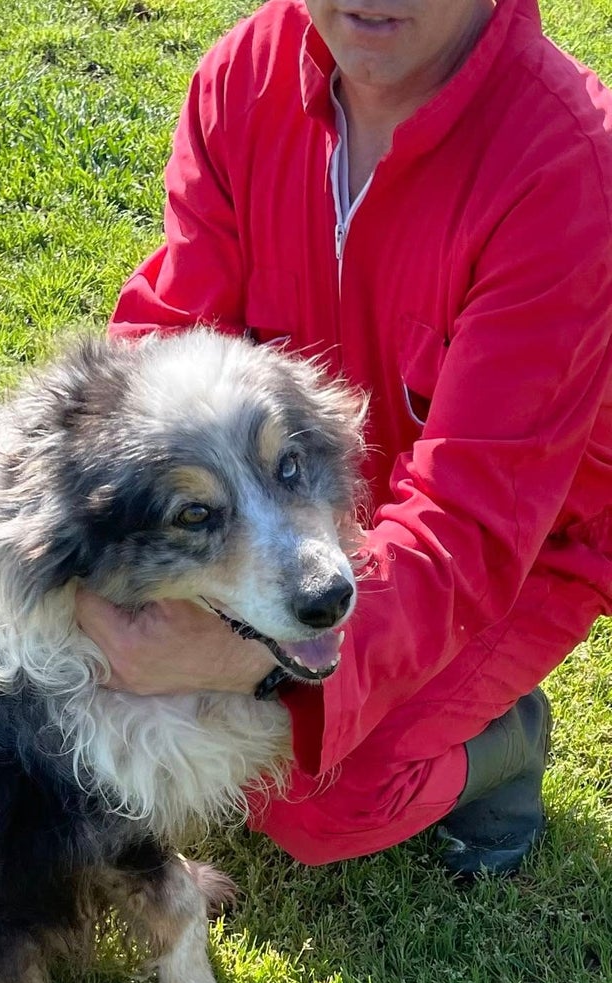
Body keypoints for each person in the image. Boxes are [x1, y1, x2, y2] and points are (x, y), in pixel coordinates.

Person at [75, 0, 612, 875]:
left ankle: (503, 742)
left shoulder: (570, 168)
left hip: (522, 541)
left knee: (312, 799)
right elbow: (166, 340)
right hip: (294, 505)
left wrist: (239, 662)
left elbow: (472, 524)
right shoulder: (243, 72)